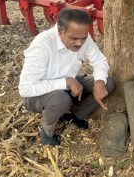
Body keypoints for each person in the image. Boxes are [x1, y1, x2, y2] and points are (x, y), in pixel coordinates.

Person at [18, 8, 115, 146]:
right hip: (38, 95)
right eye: (74, 38)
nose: (80, 43)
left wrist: (99, 82)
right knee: (60, 99)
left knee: (108, 84)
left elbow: (99, 61)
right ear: (60, 31)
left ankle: (73, 115)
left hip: (69, 85)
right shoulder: (42, 45)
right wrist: (66, 82)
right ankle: (47, 130)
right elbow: (25, 89)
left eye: (84, 38)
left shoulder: (81, 37)